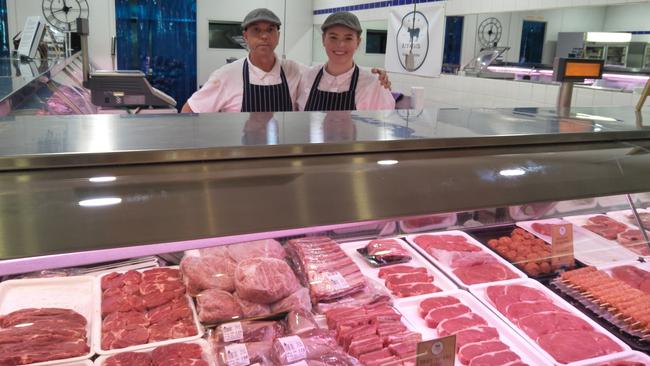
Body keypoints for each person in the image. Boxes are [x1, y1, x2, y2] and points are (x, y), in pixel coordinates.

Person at [182, 8, 391, 114]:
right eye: (257, 31)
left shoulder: (298, 72)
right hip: (242, 162)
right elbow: (189, 113)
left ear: (278, 35)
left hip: (290, 163)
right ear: (245, 36)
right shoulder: (225, 75)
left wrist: (376, 74)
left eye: (270, 30)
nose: (264, 36)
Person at [297, 12, 395, 111]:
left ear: (358, 42)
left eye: (348, 38)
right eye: (333, 37)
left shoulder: (373, 83)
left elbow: (385, 123)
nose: (340, 44)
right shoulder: (307, 76)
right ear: (323, 39)